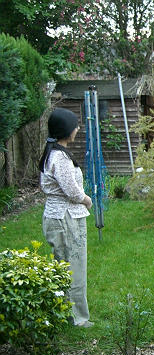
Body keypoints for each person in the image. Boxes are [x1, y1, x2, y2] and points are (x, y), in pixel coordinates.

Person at [38, 108, 94, 328]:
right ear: (66, 130)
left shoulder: (53, 153)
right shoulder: (59, 157)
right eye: (75, 126)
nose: (78, 129)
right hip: (66, 217)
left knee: (63, 266)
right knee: (73, 268)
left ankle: (63, 313)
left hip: (59, 216)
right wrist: (87, 200)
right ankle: (77, 319)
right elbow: (72, 191)